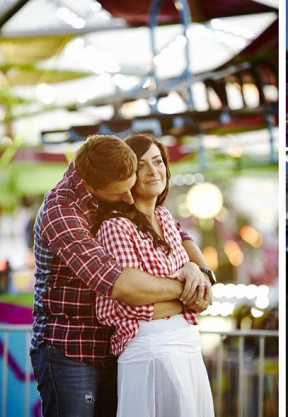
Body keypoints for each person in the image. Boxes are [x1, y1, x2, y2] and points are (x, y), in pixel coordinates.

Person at [30, 134, 211, 417]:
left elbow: (180, 233)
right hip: (71, 347)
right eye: (121, 192)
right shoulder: (61, 211)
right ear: (92, 187)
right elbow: (117, 283)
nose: (129, 198)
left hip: (111, 345)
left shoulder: (110, 180)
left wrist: (201, 273)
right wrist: (186, 290)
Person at [91, 133, 214, 416]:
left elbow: (204, 296)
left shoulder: (167, 219)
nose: (153, 171)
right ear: (126, 175)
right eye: (141, 165)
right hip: (150, 348)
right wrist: (185, 292)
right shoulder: (115, 226)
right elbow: (131, 298)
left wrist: (192, 271)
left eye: (158, 161)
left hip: (187, 344)